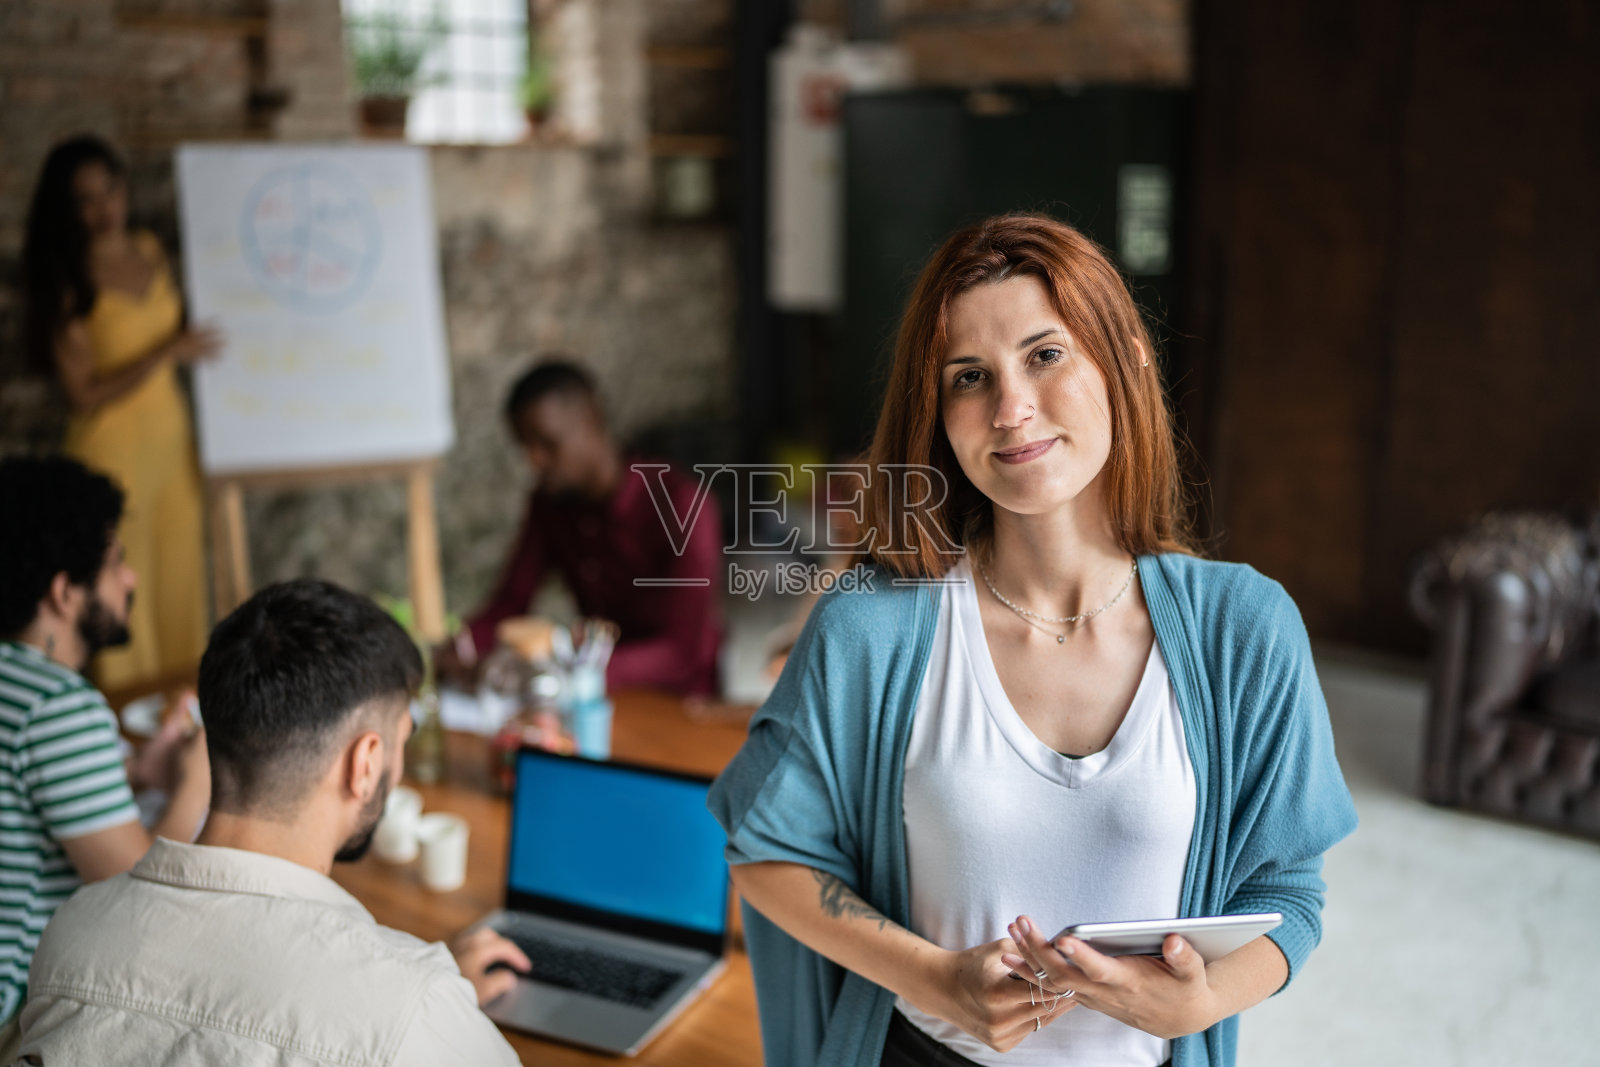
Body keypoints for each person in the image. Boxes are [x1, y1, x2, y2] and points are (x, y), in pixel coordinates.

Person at [707, 214, 1358, 1067]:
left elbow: (1290, 895)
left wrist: (1202, 1002)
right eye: (969, 376)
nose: (1011, 409)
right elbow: (765, 854)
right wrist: (937, 979)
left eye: (1045, 355)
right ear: (938, 415)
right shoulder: (871, 625)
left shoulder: (1246, 627)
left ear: (1124, 359)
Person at [18, 578, 527, 1065]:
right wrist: (437, 1006)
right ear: (365, 763)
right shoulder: (413, 1013)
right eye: (403, 736)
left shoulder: (71, 932)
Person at [0, 455, 210, 1050]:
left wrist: (140, 771)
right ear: (65, 592)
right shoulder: (58, 705)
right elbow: (140, 903)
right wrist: (198, 783)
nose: (132, 579)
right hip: (18, 1019)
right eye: (116, 562)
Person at [21, 133, 218, 691]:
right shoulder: (68, 278)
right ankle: (125, 733)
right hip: (111, 450)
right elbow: (81, 393)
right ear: (67, 210)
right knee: (122, 589)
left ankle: (182, 719)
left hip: (172, 443)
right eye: (85, 199)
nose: (103, 208)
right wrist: (164, 352)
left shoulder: (150, 249)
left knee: (179, 584)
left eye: (110, 191)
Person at [437, 359, 723, 696]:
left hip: (682, 703)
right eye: (526, 449)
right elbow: (513, 600)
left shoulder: (682, 504)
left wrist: (564, 674)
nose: (535, 461)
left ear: (592, 419)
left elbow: (678, 653)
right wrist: (460, 646)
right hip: (593, 696)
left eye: (547, 444)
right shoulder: (550, 504)